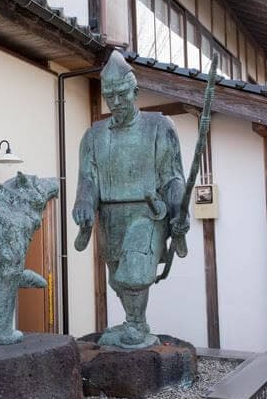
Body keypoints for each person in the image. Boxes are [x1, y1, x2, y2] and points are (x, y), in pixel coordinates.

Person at [72, 50, 189, 348]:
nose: (116, 101)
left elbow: (172, 177)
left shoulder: (159, 127)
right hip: (110, 216)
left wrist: (179, 209)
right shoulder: (93, 136)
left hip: (147, 212)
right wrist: (84, 203)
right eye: (109, 95)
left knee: (135, 272)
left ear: (135, 90)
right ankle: (133, 322)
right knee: (117, 278)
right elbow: (88, 179)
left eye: (122, 93)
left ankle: (136, 325)